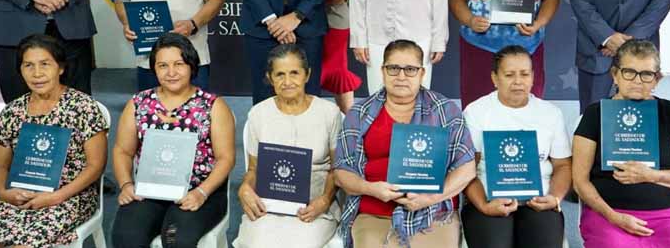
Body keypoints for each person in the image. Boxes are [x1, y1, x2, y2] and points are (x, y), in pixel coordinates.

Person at [0, 34, 107, 247]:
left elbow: (96, 166)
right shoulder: (13, 111)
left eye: (45, 64)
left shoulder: (83, 107)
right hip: (20, 195)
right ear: (20, 70)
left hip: (70, 197)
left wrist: (57, 197)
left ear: (60, 68)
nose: (37, 73)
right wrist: (4, 193)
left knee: (24, 246)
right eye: (28, 65)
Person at [334, 40, 475, 248]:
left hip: (433, 212)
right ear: (382, 71)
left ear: (422, 73)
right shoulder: (360, 112)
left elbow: (467, 168)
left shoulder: (445, 111)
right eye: (393, 68)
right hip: (374, 210)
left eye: (410, 69)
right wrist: (371, 189)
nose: (401, 76)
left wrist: (430, 198)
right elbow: (341, 172)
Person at [111, 33, 236, 247]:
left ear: (191, 65)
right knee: (126, 237)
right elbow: (123, 150)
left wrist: (201, 192)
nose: (171, 72)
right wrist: (126, 184)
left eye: (179, 64)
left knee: (176, 238)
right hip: (150, 189)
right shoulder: (138, 103)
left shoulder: (213, 106)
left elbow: (226, 158)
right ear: (154, 68)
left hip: (200, 190)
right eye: (163, 66)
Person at [572, 39, 670, 248]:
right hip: (609, 215)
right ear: (615, 75)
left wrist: (650, 175)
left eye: (646, 74)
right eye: (629, 72)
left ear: (657, 79)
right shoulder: (595, 113)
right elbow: (579, 181)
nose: (637, 81)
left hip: (667, 217)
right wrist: (613, 217)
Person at [462, 45, 572, 248]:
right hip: (490, 199)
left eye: (524, 74)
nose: (518, 81)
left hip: (539, 202)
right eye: (509, 75)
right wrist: (484, 205)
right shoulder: (476, 112)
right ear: (495, 78)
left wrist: (554, 198)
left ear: (533, 77)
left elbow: (563, 165)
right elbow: (466, 169)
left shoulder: (551, 113)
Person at [235, 44, 342, 248]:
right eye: (280, 75)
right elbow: (253, 169)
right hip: (268, 205)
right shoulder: (259, 113)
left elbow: (336, 169)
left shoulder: (329, 113)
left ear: (307, 75)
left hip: (313, 207)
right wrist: (245, 188)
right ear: (270, 78)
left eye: (294, 73)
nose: (287, 82)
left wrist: (325, 200)